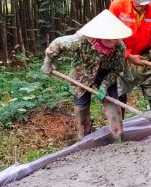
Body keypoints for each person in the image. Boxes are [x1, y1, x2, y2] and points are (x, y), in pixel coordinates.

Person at [42, 9, 131, 142]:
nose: (112, 43)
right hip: (82, 75)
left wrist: (104, 85)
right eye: (109, 40)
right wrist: (48, 62)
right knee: (81, 106)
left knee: (113, 102)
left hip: (106, 74)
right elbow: (57, 44)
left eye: (115, 40)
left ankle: (118, 135)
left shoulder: (119, 47)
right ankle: (85, 138)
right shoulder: (80, 41)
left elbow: (116, 70)